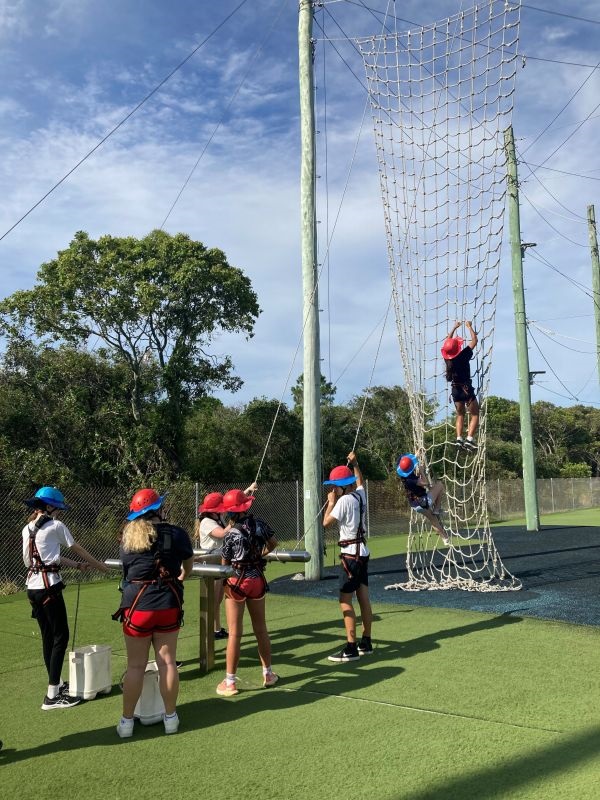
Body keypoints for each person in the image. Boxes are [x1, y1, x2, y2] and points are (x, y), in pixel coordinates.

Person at [113, 489, 194, 738]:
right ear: (158, 509)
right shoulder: (177, 533)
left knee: (135, 666)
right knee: (167, 662)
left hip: (137, 606)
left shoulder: (128, 537)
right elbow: (187, 566)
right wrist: (179, 577)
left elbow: (128, 571)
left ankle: (127, 722)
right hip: (168, 602)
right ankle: (170, 717)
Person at [22, 485, 109, 710]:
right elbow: (76, 548)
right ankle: (52, 695)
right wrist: (99, 565)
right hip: (49, 588)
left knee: (48, 637)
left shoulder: (27, 528)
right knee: (61, 636)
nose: (60, 512)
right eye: (58, 508)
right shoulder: (56, 525)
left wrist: (76, 566)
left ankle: (57, 684)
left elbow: (37, 560)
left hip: (32, 587)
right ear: (50, 507)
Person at [216, 488, 278, 697]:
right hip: (256, 578)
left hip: (236, 581)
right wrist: (261, 554)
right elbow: (273, 543)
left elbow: (225, 562)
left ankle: (230, 681)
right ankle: (268, 673)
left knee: (234, 632)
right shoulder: (260, 524)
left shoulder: (230, 533)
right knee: (261, 629)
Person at [322, 451, 373, 662]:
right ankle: (366, 642)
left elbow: (325, 523)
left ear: (342, 486)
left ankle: (351, 647)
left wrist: (331, 502)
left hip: (350, 557)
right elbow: (360, 480)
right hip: (363, 552)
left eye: (334, 486)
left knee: (345, 600)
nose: (333, 489)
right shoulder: (360, 495)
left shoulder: (343, 501)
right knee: (363, 598)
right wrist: (355, 463)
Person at [194, 482, 258, 640]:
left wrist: (247, 491)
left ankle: (216, 628)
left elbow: (233, 503)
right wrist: (233, 521)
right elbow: (222, 534)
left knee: (218, 598)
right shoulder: (207, 522)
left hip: (220, 561)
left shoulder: (216, 517)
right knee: (214, 600)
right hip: (212, 563)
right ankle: (211, 629)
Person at [441, 320, 479, 450]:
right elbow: (474, 340)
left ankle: (458, 438)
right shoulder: (463, 355)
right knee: (475, 414)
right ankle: (469, 439)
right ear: (458, 348)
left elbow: (447, 343)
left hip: (455, 390)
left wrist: (454, 328)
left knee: (460, 414)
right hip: (466, 389)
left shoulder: (447, 360)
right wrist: (469, 327)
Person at [396, 454, 449, 547]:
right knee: (440, 485)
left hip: (415, 505)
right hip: (423, 502)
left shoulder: (403, 473)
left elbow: (404, 459)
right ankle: (436, 509)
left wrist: (416, 453)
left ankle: (445, 538)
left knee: (433, 520)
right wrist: (421, 471)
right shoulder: (412, 479)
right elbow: (425, 483)